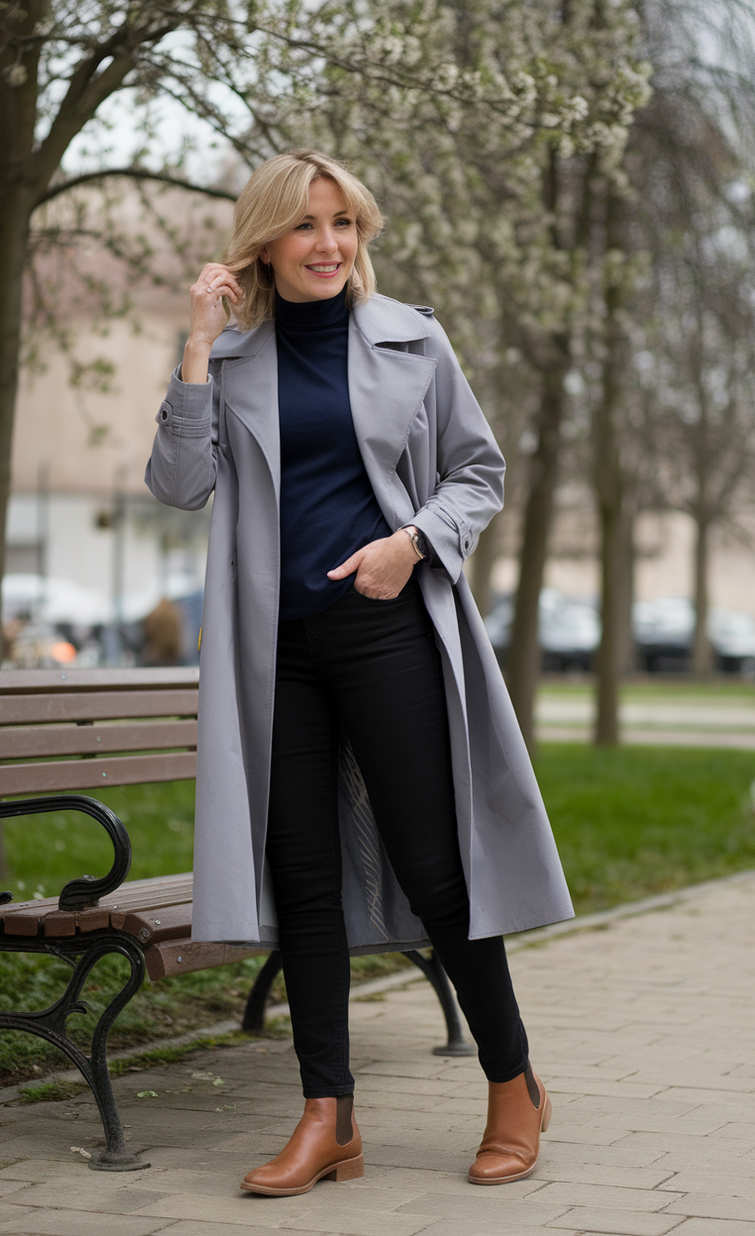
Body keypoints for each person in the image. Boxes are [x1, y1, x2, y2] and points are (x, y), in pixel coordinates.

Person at [146, 149, 573, 1197]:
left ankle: (512, 1081)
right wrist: (195, 352)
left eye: (343, 224)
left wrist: (411, 543)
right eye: (305, 226)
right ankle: (326, 1117)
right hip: (274, 652)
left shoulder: (410, 339)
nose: (329, 244)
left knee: (434, 871)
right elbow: (179, 484)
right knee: (303, 886)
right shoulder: (233, 358)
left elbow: (478, 472)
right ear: (265, 242)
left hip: (384, 633)